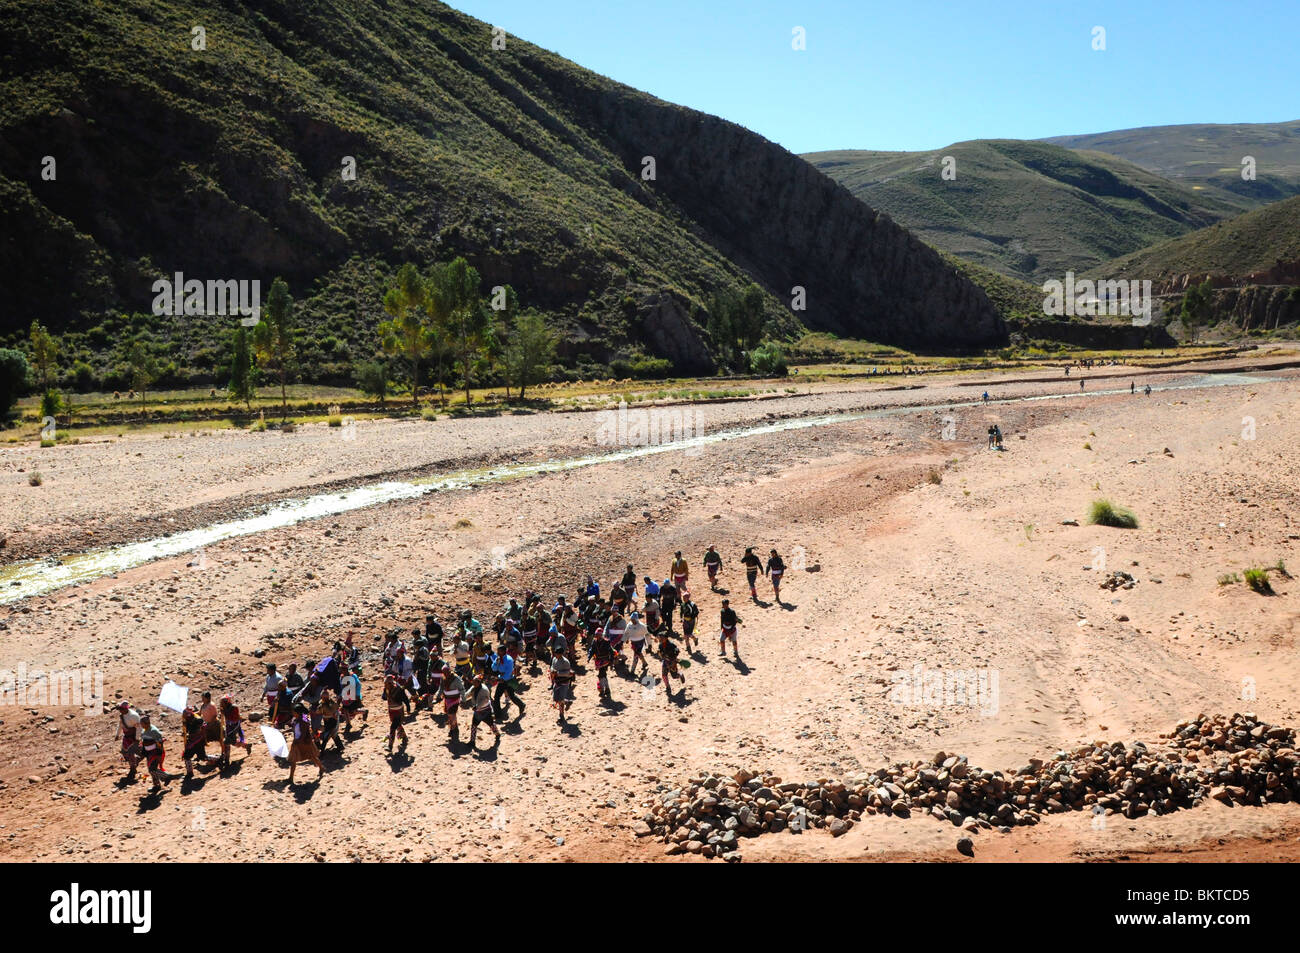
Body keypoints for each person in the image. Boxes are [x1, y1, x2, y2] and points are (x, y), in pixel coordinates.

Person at [288, 703, 324, 784]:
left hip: (303, 742)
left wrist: (297, 742)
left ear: (298, 712)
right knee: (295, 760)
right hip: (298, 741)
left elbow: (304, 733)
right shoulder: (298, 719)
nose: (292, 713)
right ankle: (290, 778)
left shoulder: (303, 720)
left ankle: (321, 767)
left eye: (294, 712)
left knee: (311, 756)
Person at [182, 706, 220, 778]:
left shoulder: (197, 720)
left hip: (198, 740)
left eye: (185, 713)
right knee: (187, 756)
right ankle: (190, 772)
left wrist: (187, 731)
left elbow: (195, 730)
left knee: (202, 757)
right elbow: (188, 730)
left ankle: (218, 759)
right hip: (192, 741)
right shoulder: (188, 720)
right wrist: (185, 731)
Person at [138, 715, 172, 792]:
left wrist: (159, 754)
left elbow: (159, 743)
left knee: (152, 770)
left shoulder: (154, 731)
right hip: (149, 753)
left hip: (155, 753)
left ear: (146, 723)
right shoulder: (144, 730)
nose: (141, 725)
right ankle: (156, 786)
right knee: (151, 770)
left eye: (141, 723)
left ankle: (166, 776)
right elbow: (144, 741)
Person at [491, 645, 525, 718]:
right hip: (502, 680)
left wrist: (501, 678)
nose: (497, 652)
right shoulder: (498, 659)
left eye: (499, 651)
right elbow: (494, 669)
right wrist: (496, 663)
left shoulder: (509, 660)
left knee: (511, 696)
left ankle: (521, 705)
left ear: (503, 651)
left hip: (508, 681)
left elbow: (509, 672)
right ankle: (498, 714)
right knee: (497, 697)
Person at [467, 675, 500, 748]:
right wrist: (463, 698)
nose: (473, 683)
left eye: (475, 682)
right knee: (474, 726)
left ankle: (497, 735)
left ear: (479, 682)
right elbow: (468, 694)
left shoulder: (484, 690)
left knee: (491, 724)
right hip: (477, 711)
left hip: (486, 711)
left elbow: (485, 700)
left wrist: (477, 706)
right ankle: (472, 741)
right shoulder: (474, 688)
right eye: (473, 682)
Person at [219, 694, 251, 766]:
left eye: (222, 703)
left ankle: (227, 760)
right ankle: (246, 746)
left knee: (226, 742)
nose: (221, 704)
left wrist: (225, 713)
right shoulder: (225, 708)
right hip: (228, 727)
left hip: (234, 727)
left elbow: (235, 718)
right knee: (233, 743)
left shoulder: (234, 707)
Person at [114, 701, 142, 780]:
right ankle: (134, 763)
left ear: (126, 709)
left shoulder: (134, 716)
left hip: (133, 737)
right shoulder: (122, 716)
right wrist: (117, 735)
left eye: (121, 709)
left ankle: (133, 769)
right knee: (124, 753)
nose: (120, 711)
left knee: (130, 753)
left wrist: (137, 739)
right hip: (126, 737)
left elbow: (138, 728)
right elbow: (120, 725)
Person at [550, 649, 576, 722]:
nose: (556, 655)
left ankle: (561, 716)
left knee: (561, 699)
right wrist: (552, 671)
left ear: (561, 654)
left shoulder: (565, 662)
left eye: (557, 654)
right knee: (555, 698)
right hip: (556, 681)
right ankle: (567, 702)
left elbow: (568, 673)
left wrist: (558, 673)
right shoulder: (554, 659)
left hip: (564, 682)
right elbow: (552, 666)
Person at [340, 665, 368, 730]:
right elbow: (341, 687)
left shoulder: (353, 676)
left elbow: (358, 685)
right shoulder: (341, 677)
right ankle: (348, 724)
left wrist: (357, 694)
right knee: (345, 709)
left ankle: (364, 712)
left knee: (353, 710)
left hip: (353, 696)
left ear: (346, 669)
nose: (341, 671)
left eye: (342, 669)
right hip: (346, 696)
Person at [441, 668, 465, 741]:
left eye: (446, 672)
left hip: (454, 700)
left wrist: (463, 699)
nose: (445, 674)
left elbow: (462, 689)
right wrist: (438, 696)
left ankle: (454, 731)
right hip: (447, 700)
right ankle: (453, 729)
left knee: (452, 715)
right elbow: (441, 688)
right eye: (444, 673)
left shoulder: (456, 679)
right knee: (450, 715)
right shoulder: (443, 678)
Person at [317, 689, 344, 753]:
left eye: (326, 697)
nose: (325, 699)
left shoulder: (329, 704)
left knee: (326, 737)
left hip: (332, 723)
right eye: (324, 697)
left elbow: (334, 711)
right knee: (333, 735)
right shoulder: (323, 704)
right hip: (329, 722)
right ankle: (340, 747)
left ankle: (322, 752)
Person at [626, 610, 650, 677]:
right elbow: (627, 632)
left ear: (636, 619)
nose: (632, 621)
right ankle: (644, 663)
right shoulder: (629, 625)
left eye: (633, 620)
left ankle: (632, 671)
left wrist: (649, 644)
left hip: (640, 642)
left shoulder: (642, 626)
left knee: (636, 655)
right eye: (631, 619)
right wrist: (627, 638)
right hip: (633, 642)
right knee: (639, 653)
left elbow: (647, 634)